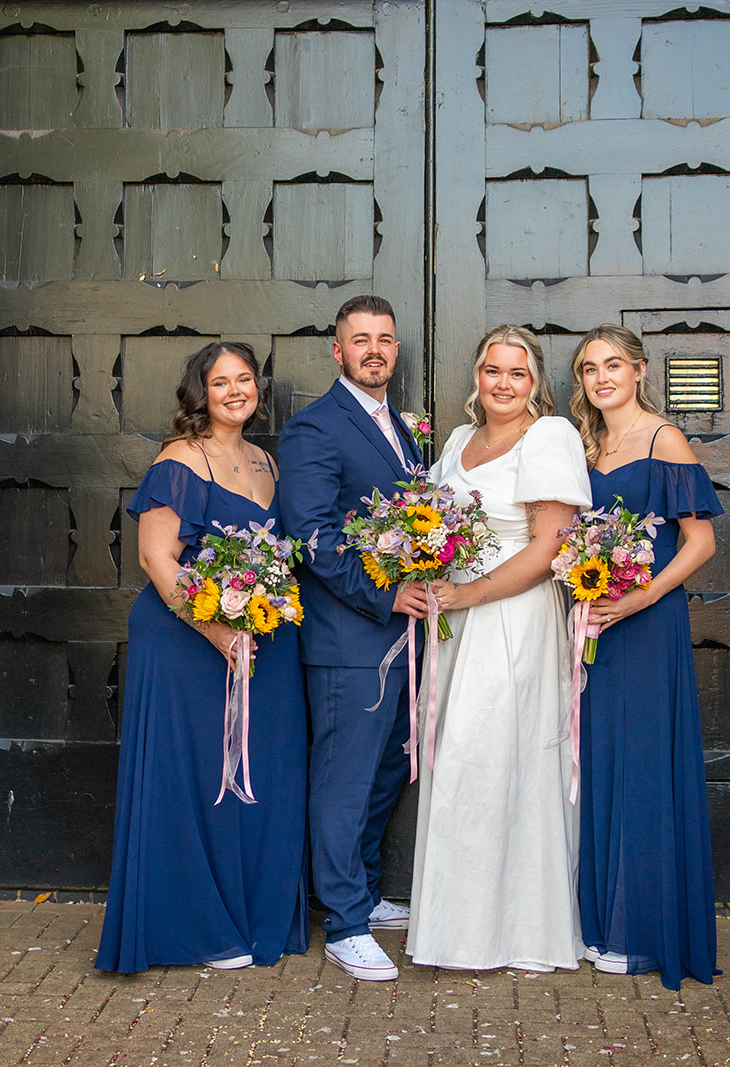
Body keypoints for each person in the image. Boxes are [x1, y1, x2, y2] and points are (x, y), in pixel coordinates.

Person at [96, 341, 308, 973]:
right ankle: (195, 927)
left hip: (261, 637)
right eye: (222, 382)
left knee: (255, 774)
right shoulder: (179, 461)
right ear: (201, 393)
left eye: (246, 380)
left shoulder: (266, 463)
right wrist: (214, 628)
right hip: (187, 641)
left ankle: (246, 914)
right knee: (192, 777)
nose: (237, 391)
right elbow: (156, 558)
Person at [407, 324, 592, 971]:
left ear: (535, 381)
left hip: (510, 619)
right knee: (455, 766)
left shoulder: (549, 438)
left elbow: (549, 549)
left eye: (517, 373)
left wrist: (472, 593)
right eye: (492, 370)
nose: (503, 383)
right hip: (456, 618)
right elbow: (427, 522)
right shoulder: (459, 440)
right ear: (477, 376)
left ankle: (512, 931)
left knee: (494, 762)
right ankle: (452, 928)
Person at [278, 295, 429, 982]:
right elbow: (313, 535)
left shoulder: (399, 427)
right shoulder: (314, 428)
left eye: (385, 339)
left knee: (387, 770)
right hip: (348, 638)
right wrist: (384, 592)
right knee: (344, 779)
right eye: (359, 339)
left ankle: (363, 887)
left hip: (403, 639)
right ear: (336, 351)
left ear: (396, 351)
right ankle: (342, 921)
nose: (374, 349)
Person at [569, 323, 720, 989]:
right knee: (600, 762)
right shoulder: (588, 446)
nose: (600, 377)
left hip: (647, 623)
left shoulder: (665, 440)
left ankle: (642, 929)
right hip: (595, 621)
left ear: (637, 370)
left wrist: (641, 598)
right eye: (587, 369)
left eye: (611, 365)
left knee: (644, 764)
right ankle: (600, 921)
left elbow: (701, 541)